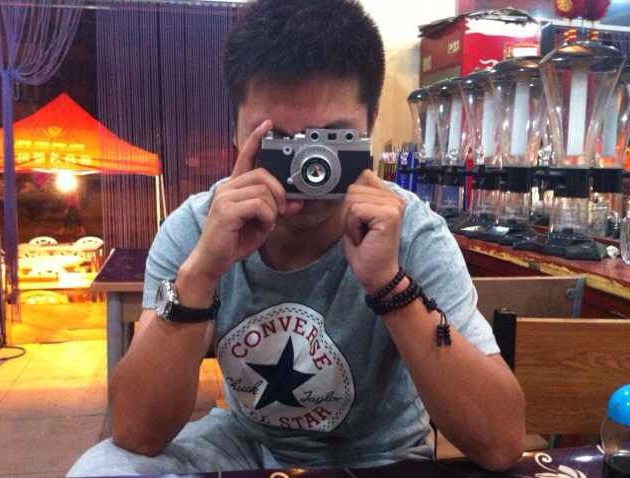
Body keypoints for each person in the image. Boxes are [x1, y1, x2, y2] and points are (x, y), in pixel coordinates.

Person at [68, 0, 525, 475]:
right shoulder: (199, 228)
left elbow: (500, 443)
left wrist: (390, 285)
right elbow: (135, 433)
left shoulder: (410, 231)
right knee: (103, 468)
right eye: (278, 141)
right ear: (236, 130)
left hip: (379, 458)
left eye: (332, 138)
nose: (308, 168)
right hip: (245, 444)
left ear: (370, 126)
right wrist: (200, 275)